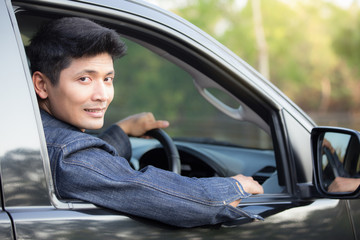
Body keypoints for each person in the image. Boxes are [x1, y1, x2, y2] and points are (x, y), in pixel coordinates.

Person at [27, 17, 263, 228]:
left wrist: (122, 131)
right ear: (42, 85)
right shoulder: (69, 156)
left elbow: (95, 168)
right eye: (85, 79)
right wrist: (234, 187)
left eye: (108, 79)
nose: (102, 95)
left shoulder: (36, 135)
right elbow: (176, 200)